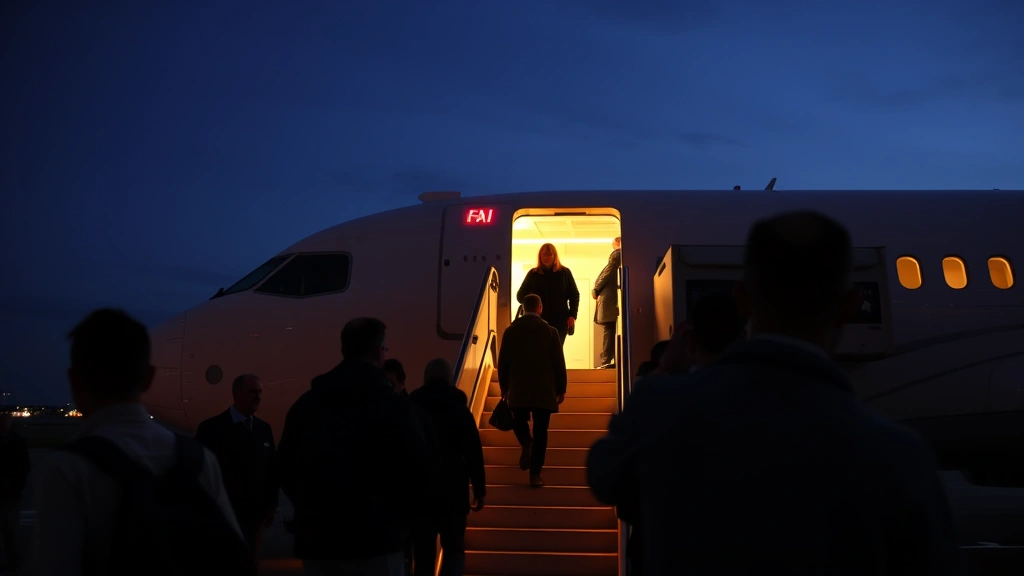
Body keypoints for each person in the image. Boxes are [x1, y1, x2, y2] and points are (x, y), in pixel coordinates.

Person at [587, 211, 958, 574]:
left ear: (743, 299)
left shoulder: (661, 410)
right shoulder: (901, 456)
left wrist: (663, 373)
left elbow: (605, 476)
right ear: (849, 306)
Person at [25, 309, 247, 576]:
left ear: (74, 380)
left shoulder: (66, 470)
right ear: (149, 378)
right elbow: (234, 557)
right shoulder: (199, 460)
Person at [277, 317, 436, 576]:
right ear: (377, 351)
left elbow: (285, 466)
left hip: (319, 542)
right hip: (377, 541)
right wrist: (396, 520)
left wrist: (312, 507)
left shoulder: (307, 404)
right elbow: (419, 468)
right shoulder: (394, 406)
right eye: (385, 349)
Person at [195, 374, 279, 575]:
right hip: (224, 516)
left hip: (253, 518)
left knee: (249, 564)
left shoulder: (264, 430)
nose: (257, 397)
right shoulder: (212, 429)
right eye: (252, 392)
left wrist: (271, 506)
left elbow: (271, 471)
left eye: (259, 392)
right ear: (236, 394)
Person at [409, 358, 486, 576]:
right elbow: (473, 452)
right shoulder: (460, 410)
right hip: (453, 491)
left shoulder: (412, 408)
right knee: (453, 551)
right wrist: (479, 490)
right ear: (449, 378)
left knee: (423, 555)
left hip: (420, 494)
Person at [498, 294, 568, 487]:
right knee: (541, 432)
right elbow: (558, 364)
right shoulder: (551, 332)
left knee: (518, 421)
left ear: (523, 308)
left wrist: (504, 387)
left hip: (518, 388)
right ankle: (535, 475)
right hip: (544, 390)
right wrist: (561, 388)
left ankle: (526, 442)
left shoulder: (511, 332)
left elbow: (503, 363)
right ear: (540, 308)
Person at [516, 243, 580, 345]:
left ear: (555, 256)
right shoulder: (533, 274)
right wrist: (531, 306)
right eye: (544, 255)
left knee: (556, 351)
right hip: (537, 321)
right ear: (540, 257)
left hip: (559, 321)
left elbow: (574, 295)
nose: (546, 258)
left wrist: (572, 315)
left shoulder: (565, 273)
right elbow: (520, 296)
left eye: (549, 255)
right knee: (538, 351)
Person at [0, 412, 30, 572]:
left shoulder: (17, 442)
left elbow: (24, 467)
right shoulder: (16, 441)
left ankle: (14, 561)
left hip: (11, 493)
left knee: (10, 528)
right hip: (9, 490)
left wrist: (15, 487)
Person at [592, 237, 622, 368]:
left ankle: (606, 360)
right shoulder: (620, 256)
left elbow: (607, 274)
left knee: (608, 329)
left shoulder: (616, 255)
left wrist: (596, 288)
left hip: (608, 298)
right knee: (610, 329)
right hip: (611, 297)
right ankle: (609, 359)